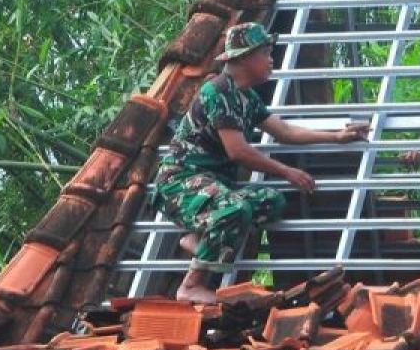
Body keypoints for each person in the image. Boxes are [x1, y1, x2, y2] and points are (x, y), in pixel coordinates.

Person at [152, 21, 370, 303]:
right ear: (244, 57)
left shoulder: (247, 98)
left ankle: (201, 238)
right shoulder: (217, 91)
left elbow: (285, 131)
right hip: (180, 183)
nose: (271, 60)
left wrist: (337, 137)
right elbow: (238, 151)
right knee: (234, 208)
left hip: (213, 187)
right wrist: (286, 171)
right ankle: (191, 285)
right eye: (265, 53)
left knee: (271, 200)